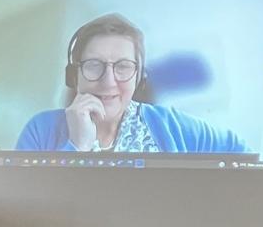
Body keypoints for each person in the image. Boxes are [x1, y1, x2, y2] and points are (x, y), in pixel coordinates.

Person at [14, 14, 248, 154]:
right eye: (94, 65)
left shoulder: (173, 127)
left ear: (140, 77)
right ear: (74, 76)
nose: (108, 81)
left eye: (123, 66)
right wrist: (76, 146)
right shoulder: (39, 130)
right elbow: (29, 212)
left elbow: (242, 155)